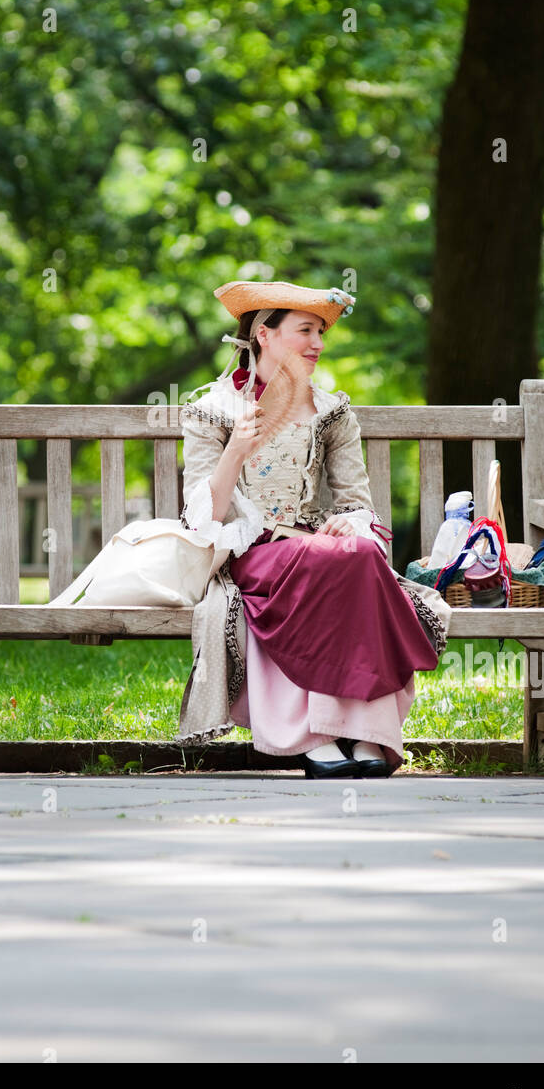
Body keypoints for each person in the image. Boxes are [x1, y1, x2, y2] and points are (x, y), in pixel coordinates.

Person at [175, 279, 452, 779]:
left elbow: (356, 503)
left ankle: (370, 736)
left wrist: (349, 521)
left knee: (361, 555)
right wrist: (235, 450)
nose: (318, 344)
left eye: (321, 332)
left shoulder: (332, 412)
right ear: (264, 334)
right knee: (339, 564)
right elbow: (204, 521)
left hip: (316, 550)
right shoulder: (212, 410)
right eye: (305, 330)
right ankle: (314, 736)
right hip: (252, 555)